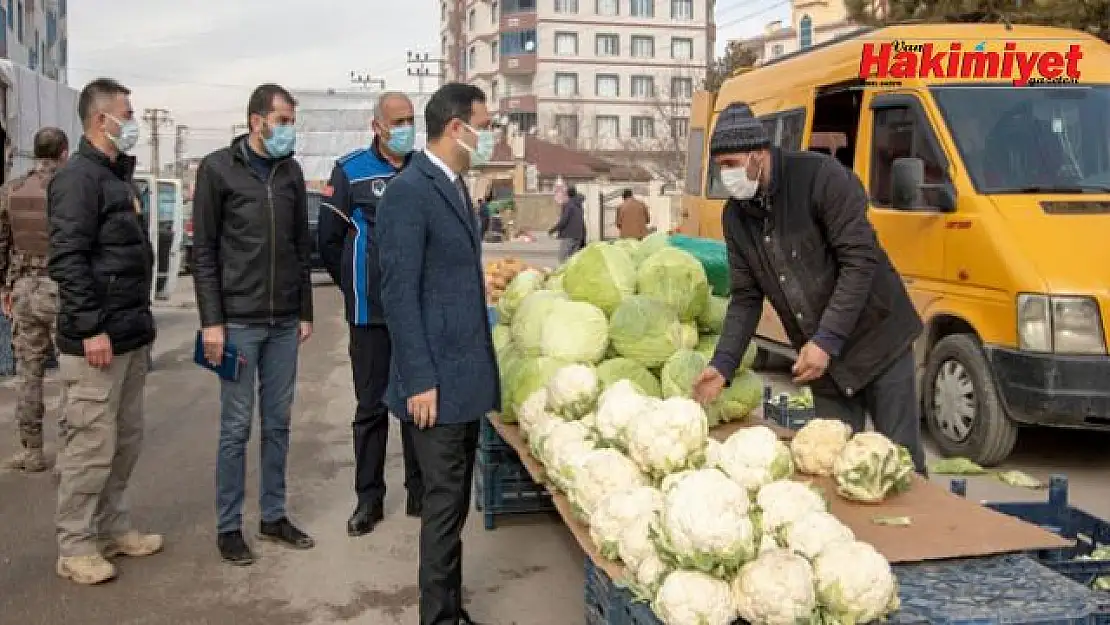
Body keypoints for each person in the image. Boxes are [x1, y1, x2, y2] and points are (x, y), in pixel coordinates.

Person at [691, 102, 927, 473]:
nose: (726, 176)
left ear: (759, 154)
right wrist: (723, 365)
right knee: (834, 467)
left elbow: (859, 261)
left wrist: (826, 340)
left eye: (732, 165)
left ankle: (923, 530)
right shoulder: (736, 217)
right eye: (720, 167)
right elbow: (746, 298)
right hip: (822, 362)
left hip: (878, 341)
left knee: (900, 465)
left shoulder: (821, 178)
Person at [376, 82, 498, 625]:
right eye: (485, 124)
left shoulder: (451, 184)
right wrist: (419, 378)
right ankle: (437, 617)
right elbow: (398, 294)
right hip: (436, 384)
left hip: (462, 375)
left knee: (452, 507)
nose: (489, 135)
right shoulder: (410, 191)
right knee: (443, 509)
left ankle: (451, 607)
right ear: (456, 127)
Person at [192, 83, 316, 566]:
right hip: (237, 324)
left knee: (279, 423)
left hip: (284, 322)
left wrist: (304, 309)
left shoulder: (290, 173)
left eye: (292, 122)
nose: (288, 130)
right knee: (236, 427)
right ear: (256, 121)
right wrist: (211, 322)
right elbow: (203, 252)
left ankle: (273, 516)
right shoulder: (218, 170)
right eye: (282, 120)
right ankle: (229, 527)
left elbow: (299, 250)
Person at [49, 78, 163, 585]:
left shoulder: (117, 178)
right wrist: (91, 327)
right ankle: (75, 546)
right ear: (102, 120)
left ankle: (112, 528)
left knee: (125, 443)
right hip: (96, 341)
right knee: (89, 448)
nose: (132, 120)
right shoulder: (78, 179)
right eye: (127, 112)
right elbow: (68, 260)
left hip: (130, 335)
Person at [318, 91, 424, 537]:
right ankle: (369, 498)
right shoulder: (350, 171)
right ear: (377, 125)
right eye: (398, 120)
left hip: (416, 312)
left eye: (411, 120)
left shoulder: (423, 170)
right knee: (372, 406)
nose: (406, 128)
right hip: (371, 313)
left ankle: (420, 492)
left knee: (418, 404)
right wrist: (355, 286)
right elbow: (327, 241)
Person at [0, 126, 69, 473]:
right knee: (74, 371)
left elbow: (2, 245)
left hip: (25, 290)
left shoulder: (11, 190)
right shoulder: (70, 190)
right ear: (64, 152)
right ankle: (73, 449)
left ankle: (32, 451)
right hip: (63, 290)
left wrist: (5, 290)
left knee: (29, 373)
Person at [549, 185, 585, 262]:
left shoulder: (569, 205)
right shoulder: (578, 204)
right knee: (573, 260)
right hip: (578, 235)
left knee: (563, 258)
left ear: (567, 194)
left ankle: (564, 274)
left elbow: (564, 221)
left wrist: (552, 230)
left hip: (569, 235)